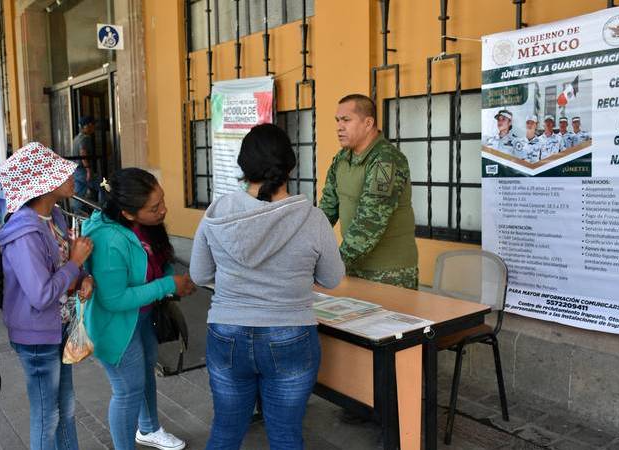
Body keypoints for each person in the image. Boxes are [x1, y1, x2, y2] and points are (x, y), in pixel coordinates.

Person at [189, 124, 345, 450]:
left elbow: (200, 274)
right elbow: (331, 278)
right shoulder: (313, 218)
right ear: (290, 166)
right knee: (286, 435)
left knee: (225, 431)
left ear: (243, 167)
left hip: (227, 332)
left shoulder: (217, 213)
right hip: (291, 334)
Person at [82, 168, 193, 450]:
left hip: (142, 317)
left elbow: (156, 260)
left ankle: (149, 428)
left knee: (143, 377)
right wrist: (168, 285)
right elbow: (114, 300)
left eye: (162, 200)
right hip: (117, 327)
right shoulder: (109, 241)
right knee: (127, 391)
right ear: (128, 213)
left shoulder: (142, 224)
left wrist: (171, 278)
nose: (163, 210)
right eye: (154, 208)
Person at [0, 142, 95, 450]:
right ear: (42, 184)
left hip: (57, 327)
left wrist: (83, 276)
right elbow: (41, 295)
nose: (71, 176)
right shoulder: (25, 231)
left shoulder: (54, 216)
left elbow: (64, 265)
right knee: (46, 415)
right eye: (61, 172)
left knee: (66, 408)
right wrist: (76, 263)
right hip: (37, 337)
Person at [319, 94, 419, 289]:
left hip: (389, 272)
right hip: (353, 266)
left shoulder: (386, 160)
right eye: (337, 120)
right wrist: (307, 247)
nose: (339, 127)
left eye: (346, 120)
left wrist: (334, 264)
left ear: (368, 123)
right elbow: (327, 209)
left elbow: (371, 221)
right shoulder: (341, 159)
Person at [70, 116, 97, 212]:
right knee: (103, 186)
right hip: (83, 171)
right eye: (92, 125)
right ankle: (103, 211)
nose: (94, 127)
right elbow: (83, 153)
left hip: (76, 170)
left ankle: (76, 215)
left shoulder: (76, 138)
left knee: (79, 194)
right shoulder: (85, 138)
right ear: (87, 126)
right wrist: (88, 169)